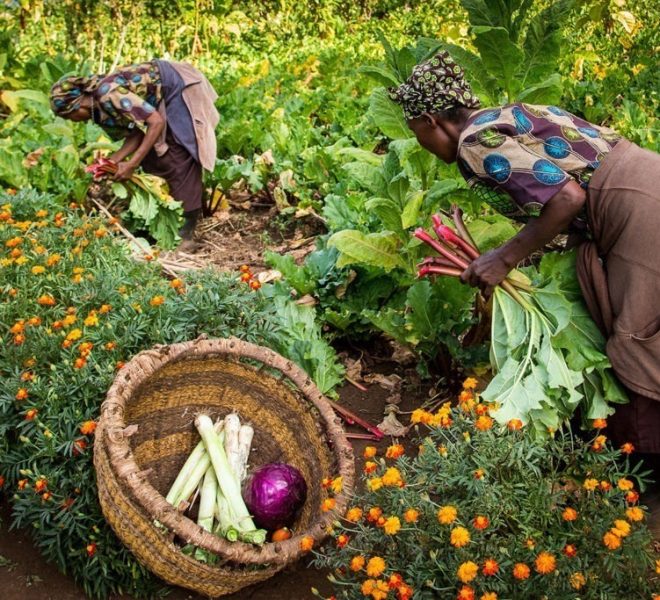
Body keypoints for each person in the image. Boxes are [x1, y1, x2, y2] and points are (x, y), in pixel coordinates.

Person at [390, 51, 660, 526]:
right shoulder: (503, 116)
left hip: (633, 211)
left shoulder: (476, 142)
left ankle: (645, 477)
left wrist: (504, 257)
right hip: (643, 183)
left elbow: (569, 197)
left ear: (432, 120)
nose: (420, 142)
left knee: (634, 340)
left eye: (416, 131)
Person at [49, 59, 219, 251]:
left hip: (178, 87)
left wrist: (131, 164)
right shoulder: (100, 106)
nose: (74, 121)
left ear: (76, 105)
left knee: (178, 158)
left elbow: (155, 122)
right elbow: (138, 131)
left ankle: (184, 236)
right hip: (161, 100)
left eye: (69, 117)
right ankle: (162, 228)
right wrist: (114, 161)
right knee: (153, 160)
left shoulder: (108, 94)